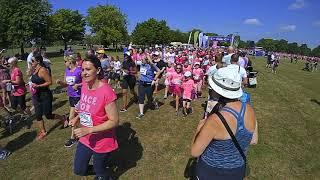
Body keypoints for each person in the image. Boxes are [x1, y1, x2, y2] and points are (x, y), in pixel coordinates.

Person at [191, 67, 258, 179]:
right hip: (237, 170)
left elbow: (194, 152)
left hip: (212, 171)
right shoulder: (249, 109)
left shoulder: (215, 120)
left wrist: (199, 128)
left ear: (217, 91)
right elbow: (253, 141)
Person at [69, 55, 119, 180]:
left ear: (97, 70)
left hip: (102, 140)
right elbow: (86, 106)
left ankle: (104, 174)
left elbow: (114, 121)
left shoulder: (107, 92)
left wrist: (89, 130)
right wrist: (77, 118)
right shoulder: (86, 85)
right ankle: (101, 169)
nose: (84, 73)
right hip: (86, 138)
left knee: (100, 172)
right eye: (83, 69)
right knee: (79, 170)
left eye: (88, 69)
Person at [30, 54, 66, 140]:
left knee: (48, 115)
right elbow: (34, 80)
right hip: (36, 96)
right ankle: (43, 131)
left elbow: (50, 82)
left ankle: (63, 118)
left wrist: (38, 86)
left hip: (45, 95)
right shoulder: (34, 70)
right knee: (38, 115)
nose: (31, 63)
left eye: (33, 61)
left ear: (38, 61)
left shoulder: (43, 70)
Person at [56, 56, 82, 148]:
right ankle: (79, 133)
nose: (64, 63)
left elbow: (87, 82)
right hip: (71, 96)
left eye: (65, 62)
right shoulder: (67, 71)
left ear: (70, 62)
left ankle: (73, 138)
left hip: (79, 96)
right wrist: (60, 82)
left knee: (72, 117)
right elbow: (66, 84)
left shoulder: (79, 71)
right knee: (76, 117)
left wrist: (78, 85)